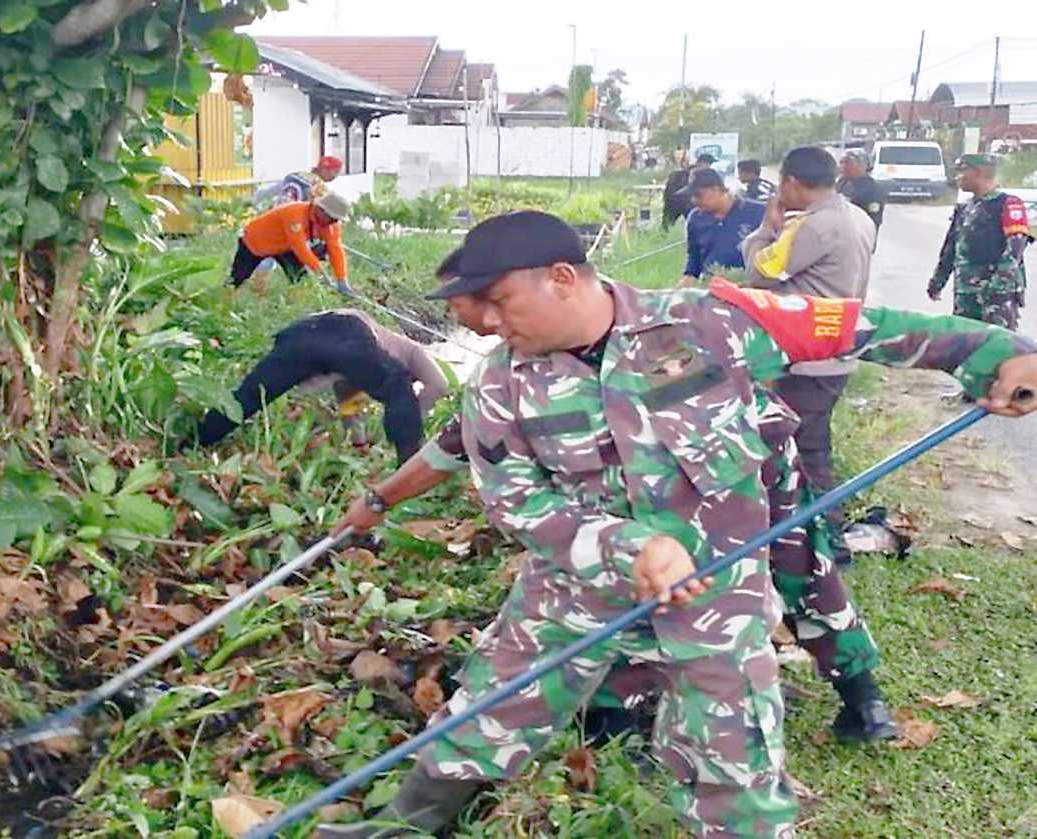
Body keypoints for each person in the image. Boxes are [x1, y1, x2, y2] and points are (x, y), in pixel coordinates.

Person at [316, 210, 1037, 839]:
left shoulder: (712, 322)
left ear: (561, 277)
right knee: (489, 713)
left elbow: (866, 327)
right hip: (573, 592)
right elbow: (514, 497)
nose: (493, 323)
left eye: (501, 302)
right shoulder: (501, 384)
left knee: (738, 765)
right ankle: (400, 827)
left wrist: (993, 353)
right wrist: (626, 545)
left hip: (716, 599)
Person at [337, 248, 898, 748]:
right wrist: (379, 501)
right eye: (472, 323)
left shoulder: (683, 321)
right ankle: (617, 716)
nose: (487, 329)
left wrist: (975, 351)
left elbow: (841, 329)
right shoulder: (517, 373)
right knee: (623, 580)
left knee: (800, 569)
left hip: (751, 471)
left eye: (492, 311)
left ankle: (861, 696)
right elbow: (456, 445)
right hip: (651, 505)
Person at [742, 145, 876, 556]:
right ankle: (816, 532)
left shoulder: (814, 226)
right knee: (812, 444)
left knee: (800, 449)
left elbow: (759, 271)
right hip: (835, 350)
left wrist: (767, 228)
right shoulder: (857, 216)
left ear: (791, 183)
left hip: (806, 359)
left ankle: (823, 540)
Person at [193, 309, 447, 465]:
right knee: (397, 383)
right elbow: (439, 385)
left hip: (298, 334)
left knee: (248, 398)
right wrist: (413, 416)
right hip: (346, 327)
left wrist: (359, 444)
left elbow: (349, 404)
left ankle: (194, 442)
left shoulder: (360, 367)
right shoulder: (410, 352)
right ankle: (408, 468)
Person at [928, 153, 1032, 330]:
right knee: (966, 343)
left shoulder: (1008, 204)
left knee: (998, 345)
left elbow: (1015, 249)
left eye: (962, 171)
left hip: (998, 294)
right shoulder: (964, 208)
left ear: (979, 172)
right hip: (966, 291)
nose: (958, 177)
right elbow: (951, 248)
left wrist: (997, 285)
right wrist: (938, 281)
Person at [227, 192, 353, 293]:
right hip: (256, 242)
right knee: (237, 279)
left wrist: (342, 279)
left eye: (336, 220)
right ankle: (224, 303)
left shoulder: (331, 225)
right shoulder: (295, 215)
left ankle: (296, 305)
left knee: (299, 279)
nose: (334, 222)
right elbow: (300, 248)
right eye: (332, 218)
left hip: (285, 247)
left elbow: (335, 249)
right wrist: (322, 274)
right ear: (320, 210)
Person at [677, 168, 765, 286]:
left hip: (751, 288)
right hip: (711, 288)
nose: (694, 200)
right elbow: (694, 258)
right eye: (692, 196)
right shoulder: (695, 219)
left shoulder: (759, 212)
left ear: (716, 189)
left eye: (698, 195)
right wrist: (686, 281)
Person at [253, 155, 343, 206]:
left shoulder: (295, 176)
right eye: (335, 172)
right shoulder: (319, 187)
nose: (335, 176)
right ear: (324, 170)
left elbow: (269, 192)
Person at [836, 149, 885, 231]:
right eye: (841, 162)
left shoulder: (873, 189)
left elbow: (873, 218)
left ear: (862, 165)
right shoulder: (840, 183)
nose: (843, 166)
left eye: (847, 162)